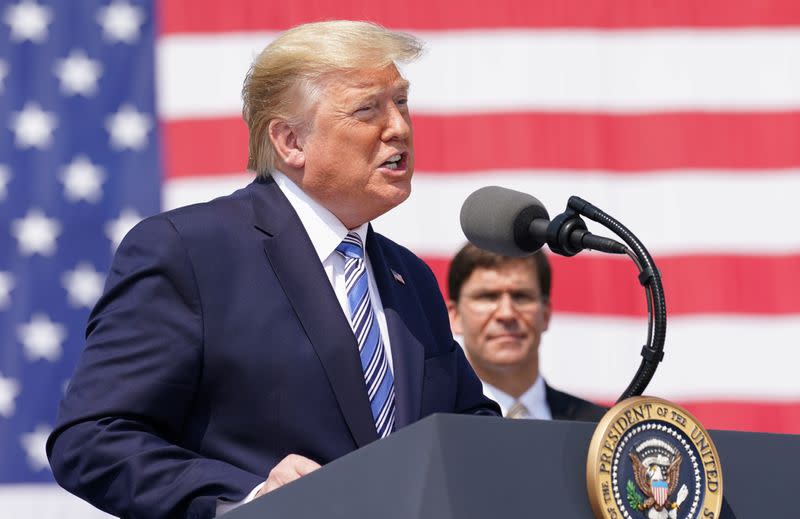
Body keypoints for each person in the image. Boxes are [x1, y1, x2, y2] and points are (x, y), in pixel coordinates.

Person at [46, 21, 499, 519]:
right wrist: (252, 497)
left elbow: (466, 427)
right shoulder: (189, 252)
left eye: (402, 102)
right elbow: (92, 438)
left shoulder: (408, 277)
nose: (399, 127)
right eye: (368, 109)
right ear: (290, 142)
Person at [447, 243, 605, 421]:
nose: (506, 313)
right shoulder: (430, 426)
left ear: (545, 314)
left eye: (521, 296)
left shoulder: (599, 429)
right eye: (488, 296)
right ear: (455, 316)